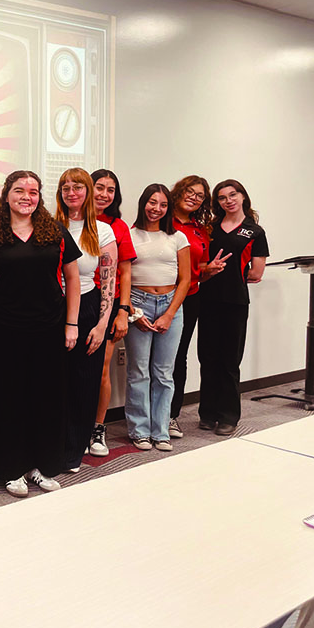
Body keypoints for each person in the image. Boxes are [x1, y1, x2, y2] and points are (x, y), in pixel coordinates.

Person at [0, 170, 81, 495]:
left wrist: (71, 324)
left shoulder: (56, 233)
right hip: (3, 331)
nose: (26, 197)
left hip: (48, 329)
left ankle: (42, 466)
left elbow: (72, 279)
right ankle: (11, 468)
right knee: (8, 401)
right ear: (7, 195)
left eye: (33, 192)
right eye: (19, 191)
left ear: (40, 198)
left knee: (46, 399)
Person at [54, 168, 117, 473]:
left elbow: (108, 281)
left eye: (77, 186)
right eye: (65, 187)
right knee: (56, 382)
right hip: (54, 308)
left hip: (91, 308)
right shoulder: (49, 227)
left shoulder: (103, 231)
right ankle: (51, 446)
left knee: (84, 381)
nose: (71, 192)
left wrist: (102, 324)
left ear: (88, 192)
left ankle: (72, 450)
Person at [198, 179, 268, 435]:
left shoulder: (254, 232)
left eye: (233, 195)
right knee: (207, 357)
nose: (228, 200)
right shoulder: (210, 229)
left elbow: (256, 273)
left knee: (229, 360)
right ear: (217, 202)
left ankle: (228, 416)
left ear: (242, 197)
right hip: (207, 300)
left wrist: (233, 277)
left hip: (235, 303)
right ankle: (207, 412)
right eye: (222, 197)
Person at [124, 184, 191, 451]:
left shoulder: (177, 237)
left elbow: (185, 279)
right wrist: (133, 312)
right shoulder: (130, 235)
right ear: (143, 203)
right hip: (137, 305)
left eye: (163, 205)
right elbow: (123, 279)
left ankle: (160, 430)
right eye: (153, 203)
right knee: (138, 371)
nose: (157, 209)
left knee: (164, 373)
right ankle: (139, 430)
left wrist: (170, 313)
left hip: (170, 306)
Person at [89, 169, 135, 456]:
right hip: (73, 304)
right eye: (99, 187)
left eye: (111, 190)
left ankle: (97, 428)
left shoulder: (118, 227)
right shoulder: (69, 221)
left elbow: (126, 273)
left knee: (101, 371)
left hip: (107, 304)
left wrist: (122, 311)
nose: (104, 194)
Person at [168, 175, 213, 437]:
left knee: (178, 357)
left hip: (191, 297)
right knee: (152, 360)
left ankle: (171, 415)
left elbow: (200, 269)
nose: (194, 198)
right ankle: (146, 417)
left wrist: (211, 270)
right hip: (157, 295)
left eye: (200, 196)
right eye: (190, 192)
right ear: (179, 191)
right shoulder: (160, 221)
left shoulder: (200, 230)